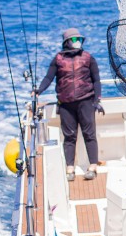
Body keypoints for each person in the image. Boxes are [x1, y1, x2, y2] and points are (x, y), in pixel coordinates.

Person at [35, 27, 104, 181]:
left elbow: (96, 80)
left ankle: (92, 166)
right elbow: (48, 78)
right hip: (66, 105)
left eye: (79, 39)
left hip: (86, 102)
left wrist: (97, 100)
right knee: (69, 137)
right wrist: (38, 90)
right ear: (67, 42)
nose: (77, 42)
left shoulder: (88, 58)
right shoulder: (58, 59)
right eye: (74, 40)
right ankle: (70, 169)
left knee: (89, 134)